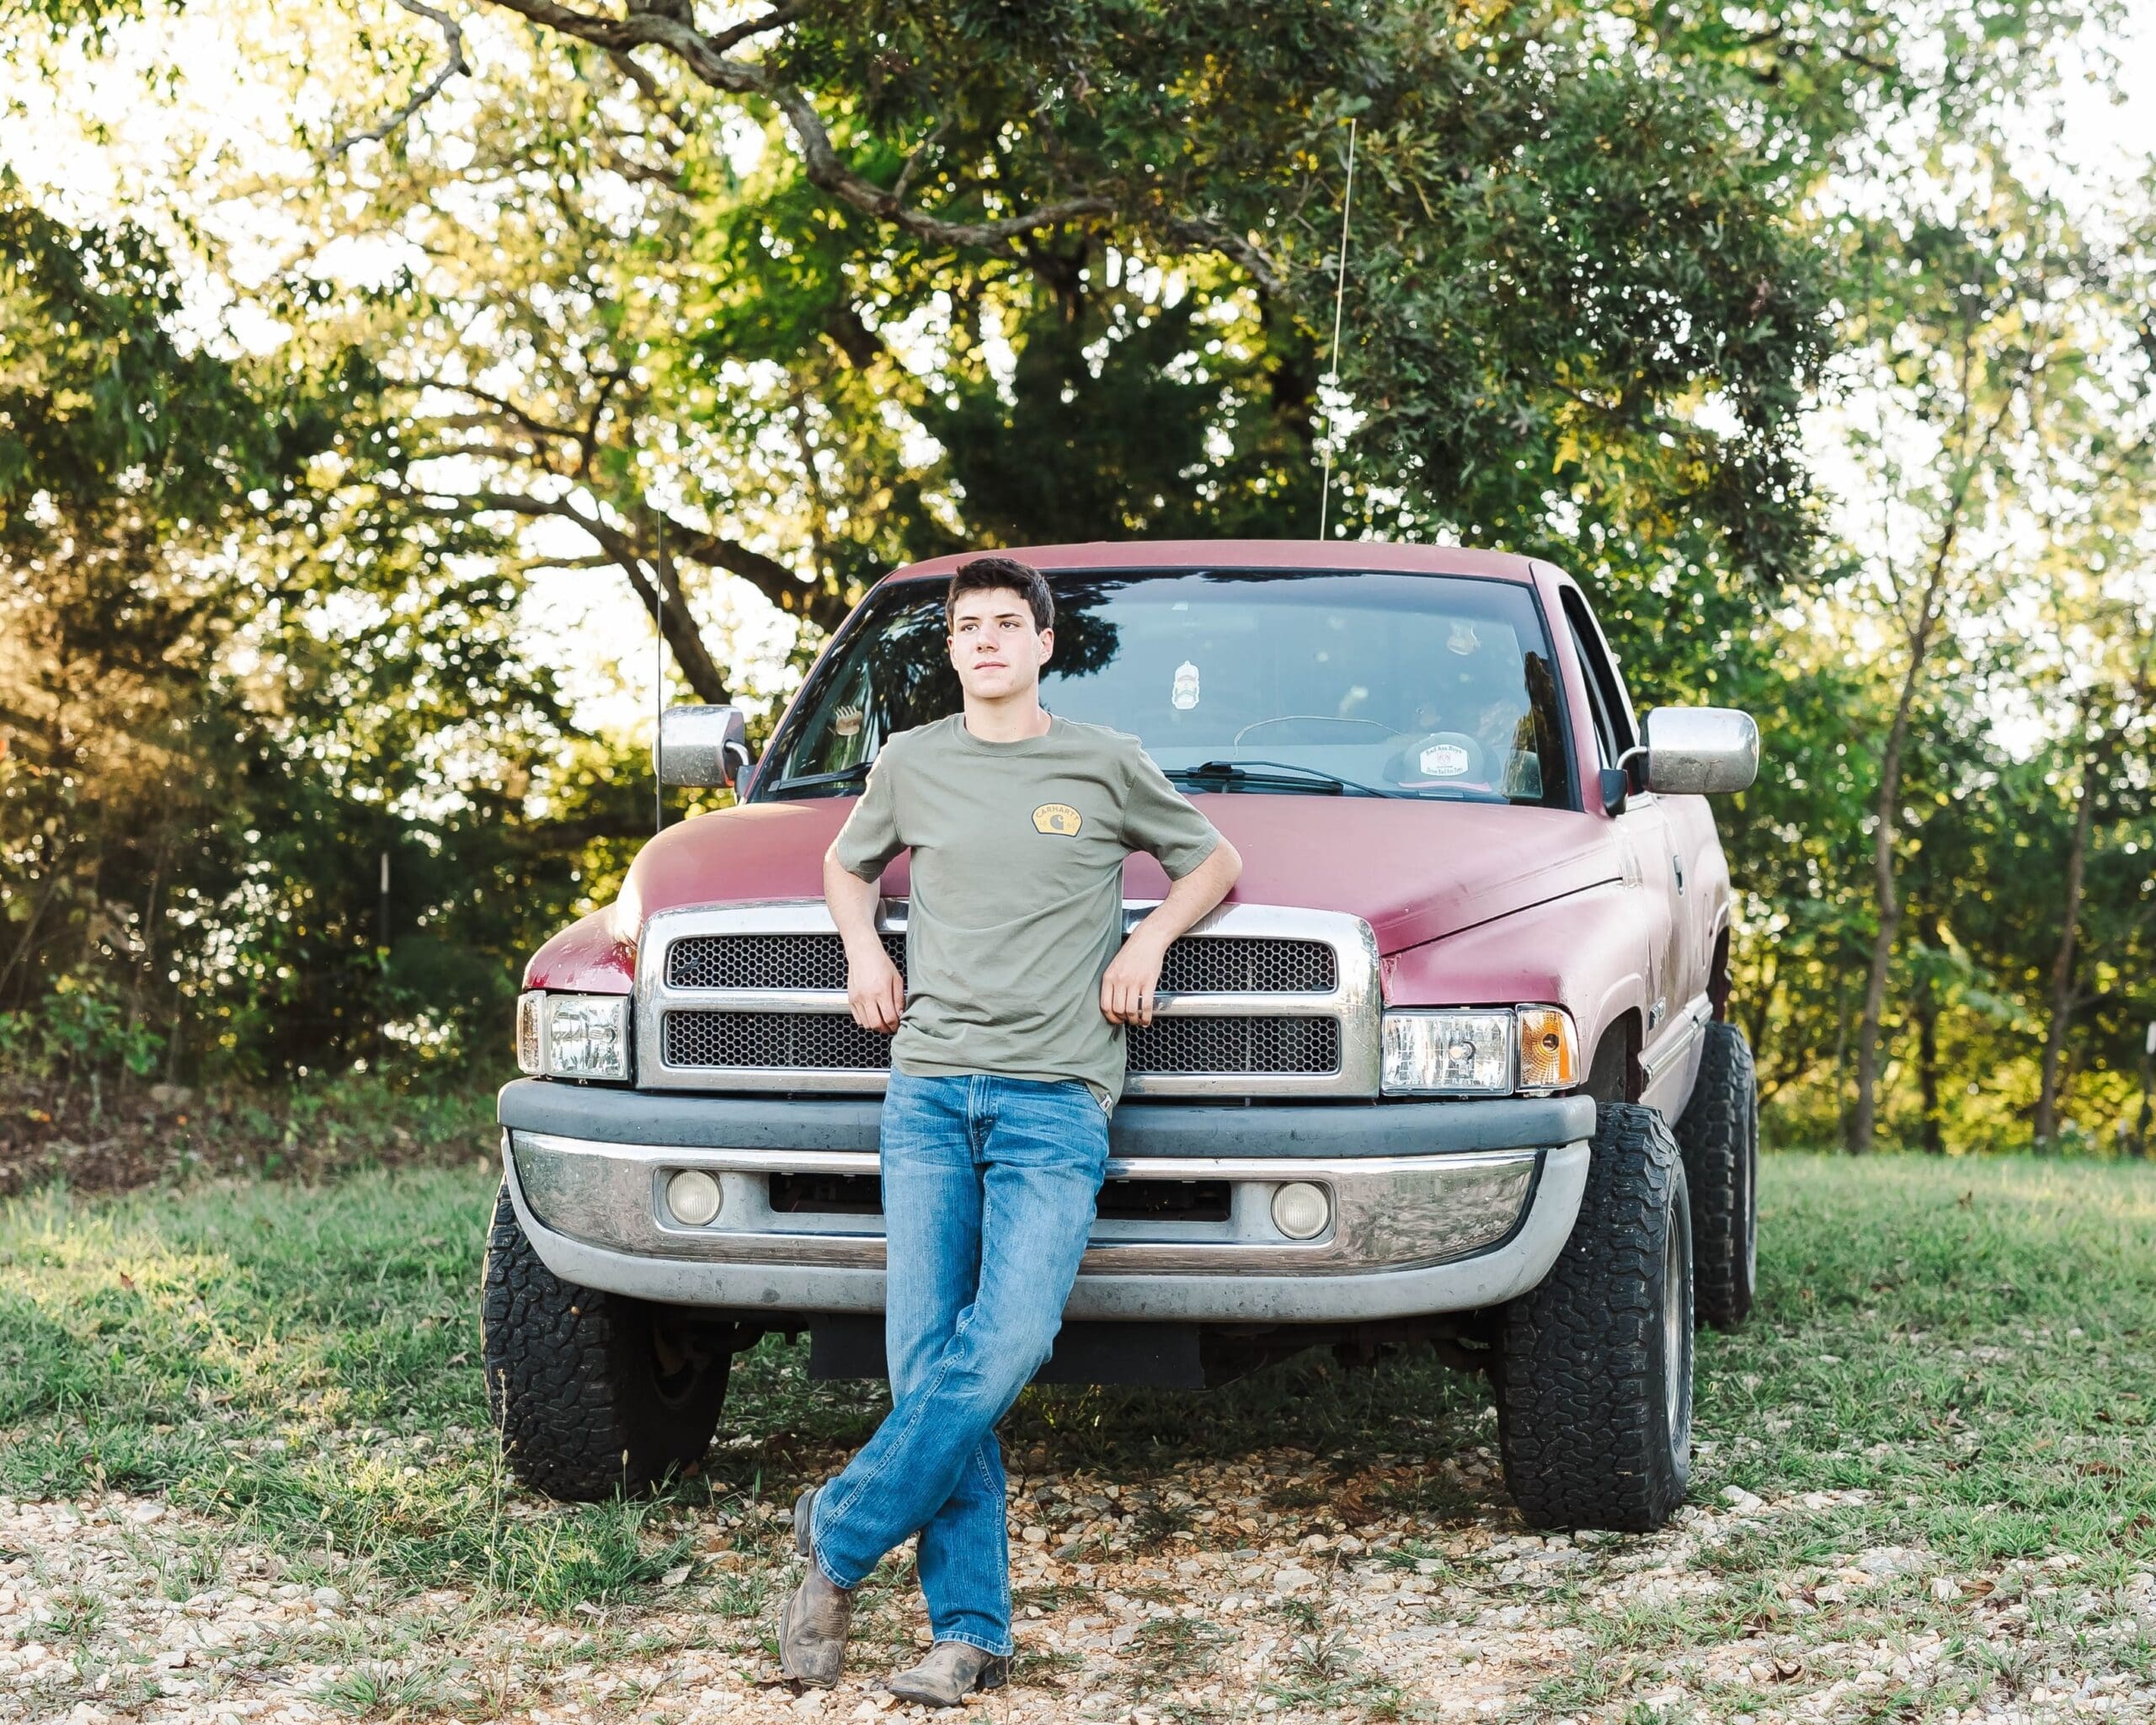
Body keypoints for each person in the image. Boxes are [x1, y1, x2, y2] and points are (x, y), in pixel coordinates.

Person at [782, 555, 1242, 1705]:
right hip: (930, 1091)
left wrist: (1148, 941)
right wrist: (863, 950)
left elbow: (1214, 860)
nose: (985, 639)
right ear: (950, 650)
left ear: (1044, 644)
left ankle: (837, 1532)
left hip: (1057, 1098)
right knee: (927, 1363)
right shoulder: (912, 760)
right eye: (966, 626)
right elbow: (845, 866)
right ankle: (968, 1634)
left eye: (1005, 623)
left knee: (1008, 1343)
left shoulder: (1103, 760)